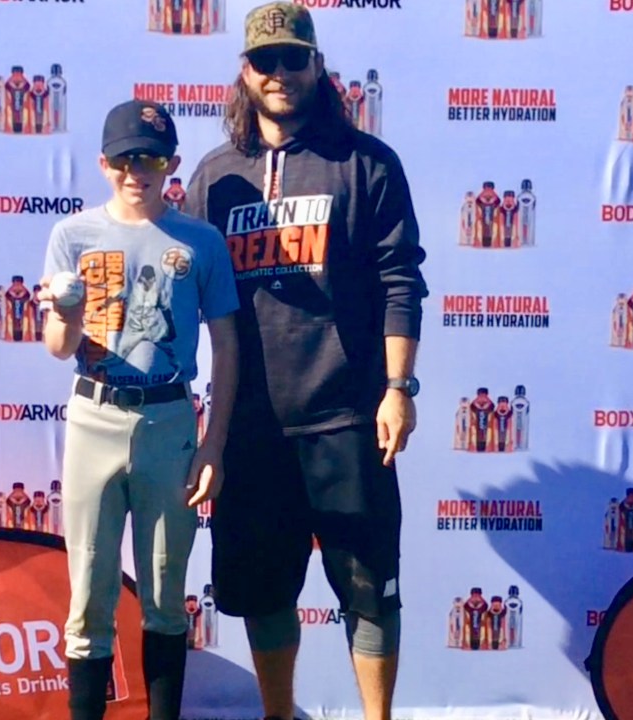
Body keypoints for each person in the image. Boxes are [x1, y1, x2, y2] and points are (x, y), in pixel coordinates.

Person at [183, 4, 428, 720]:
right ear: (245, 72)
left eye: (295, 59)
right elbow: (181, 286)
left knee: (371, 586)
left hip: (348, 416)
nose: (281, 74)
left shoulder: (366, 164)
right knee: (262, 590)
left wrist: (398, 387)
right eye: (266, 62)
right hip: (253, 426)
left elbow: (400, 279)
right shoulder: (215, 176)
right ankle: (279, 713)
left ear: (318, 67)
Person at [38, 99, 240, 720]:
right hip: (95, 413)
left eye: (150, 158)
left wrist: (213, 444)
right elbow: (58, 347)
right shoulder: (72, 235)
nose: (137, 171)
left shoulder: (200, 240)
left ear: (172, 164)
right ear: (103, 164)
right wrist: (67, 314)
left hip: (171, 423)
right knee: (89, 598)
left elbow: (227, 346)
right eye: (125, 159)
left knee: (164, 592)